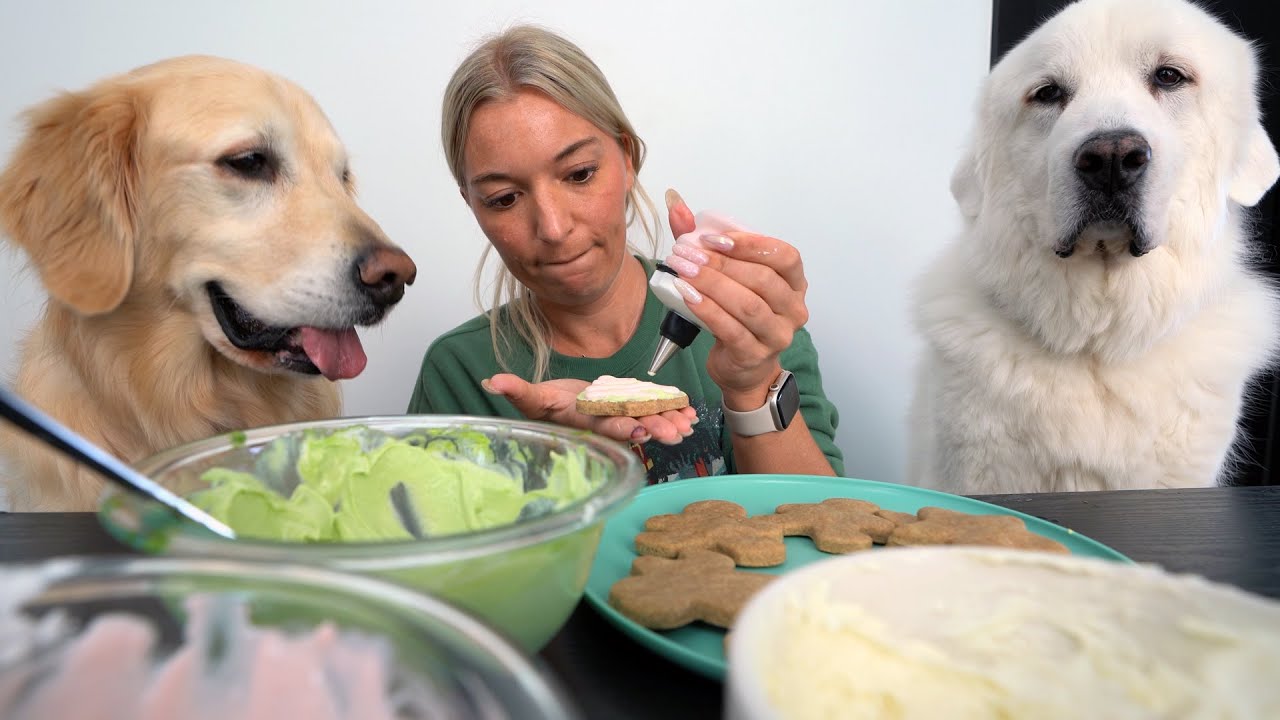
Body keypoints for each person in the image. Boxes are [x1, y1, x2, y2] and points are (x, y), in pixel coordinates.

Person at [408, 25, 843, 482]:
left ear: (628, 157)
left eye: (579, 174)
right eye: (503, 198)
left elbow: (824, 528)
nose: (554, 228)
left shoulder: (749, 326)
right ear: (471, 204)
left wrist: (753, 387)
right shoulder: (459, 372)